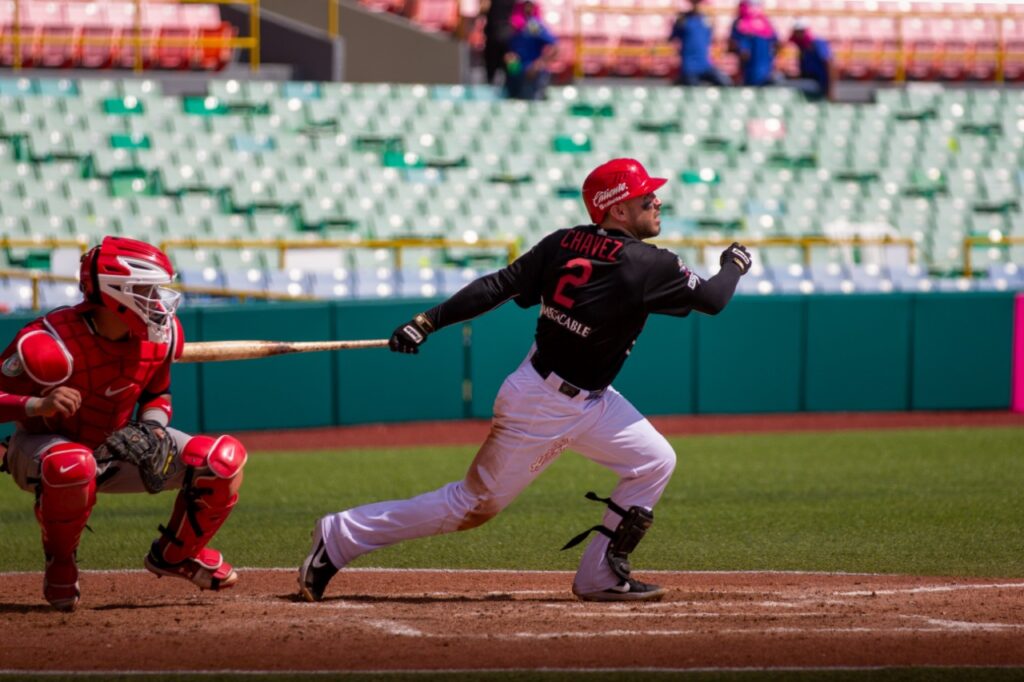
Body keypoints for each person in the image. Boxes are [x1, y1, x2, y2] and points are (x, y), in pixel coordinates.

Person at [298, 158, 752, 603]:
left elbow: (497, 286)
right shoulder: (648, 264)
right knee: (471, 506)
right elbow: (713, 298)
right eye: (644, 196)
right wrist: (734, 262)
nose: (656, 201)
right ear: (616, 208)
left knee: (653, 461)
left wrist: (427, 321)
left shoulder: (563, 243)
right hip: (544, 404)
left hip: (587, 398)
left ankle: (599, 576)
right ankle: (342, 535)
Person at [0, 236, 247, 612]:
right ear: (118, 293)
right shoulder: (47, 345)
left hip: (113, 443)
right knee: (73, 464)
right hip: (42, 448)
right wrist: (38, 404)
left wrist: (152, 429)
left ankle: (176, 555)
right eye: (146, 290)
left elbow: (157, 395)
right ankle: (61, 561)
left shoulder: (160, 335)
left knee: (222, 460)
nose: (158, 300)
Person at [668, 0, 732, 86]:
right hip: (689, 66)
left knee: (725, 82)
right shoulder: (683, 20)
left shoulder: (706, 20)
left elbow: (712, 39)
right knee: (694, 88)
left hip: (705, 65)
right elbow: (673, 39)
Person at [503, 0, 558, 101]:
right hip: (517, 72)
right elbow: (512, 49)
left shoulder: (534, 25)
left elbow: (554, 46)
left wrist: (538, 64)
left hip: (533, 74)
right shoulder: (515, 25)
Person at [731, 0, 779, 86]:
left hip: (766, 64)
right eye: (752, 5)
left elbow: (775, 42)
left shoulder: (765, 22)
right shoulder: (740, 23)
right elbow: (738, 45)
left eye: (757, 5)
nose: (754, 8)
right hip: (749, 67)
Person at [790, 19, 837, 101]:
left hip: (819, 84)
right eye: (797, 31)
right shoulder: (802, 46)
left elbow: (829, 64)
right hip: (809, 82)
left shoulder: (817, 43)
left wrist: (830, 89)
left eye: (801, 31)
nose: (798, 34)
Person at [480, 0, 518, 85]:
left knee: (495, 64)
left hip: (497, 35)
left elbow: (483, 9)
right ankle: (514, 82)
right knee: (510, 61)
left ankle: (492, 82)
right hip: (506, 34)